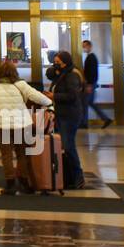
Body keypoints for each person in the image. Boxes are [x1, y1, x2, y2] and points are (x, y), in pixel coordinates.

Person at [0, 59, 51, 195]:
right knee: (22, 154)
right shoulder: (20, 84)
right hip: (22, 124)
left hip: (2, 125)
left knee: (6, 156)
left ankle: (10, 185)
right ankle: (24, 182)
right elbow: (35, 95)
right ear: (14, 72)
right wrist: (49, 103)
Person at [48, 50, 87, 189]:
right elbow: (50, 74)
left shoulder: (72, 75)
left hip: (70, 116)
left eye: (58, 62)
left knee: (69, 146)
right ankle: (70, 176)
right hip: (62, 114)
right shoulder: (62, 74)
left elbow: (72, 96)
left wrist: (54, 97)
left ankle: (78, 176)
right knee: (64, 146)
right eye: (54, 62)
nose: (55, 65)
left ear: (65, 62)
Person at [81, 39, 112, 129]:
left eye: (85, 46)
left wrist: (89, 85)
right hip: (91, 83)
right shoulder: (90, 57)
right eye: (83, 46)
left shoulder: (91, 57)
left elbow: (92, 72)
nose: (84, 48)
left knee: (85, 103)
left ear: (90, 46)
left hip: (90, 83)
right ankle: (105, 119)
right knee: (89, 102)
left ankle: (84, 123)